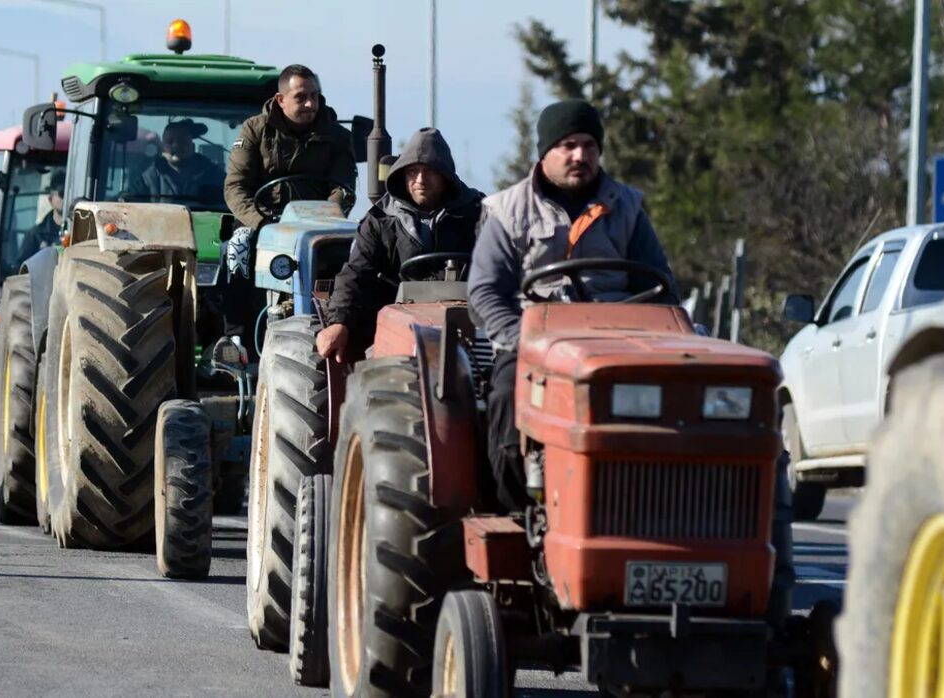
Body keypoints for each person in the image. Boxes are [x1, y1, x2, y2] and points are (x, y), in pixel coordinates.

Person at [468, 98, 679, 512]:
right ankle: (518, 512)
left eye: (589, 146)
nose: (580, 155)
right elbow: (485, 291)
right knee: (507, 396)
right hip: (535, 344)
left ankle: (655, 504)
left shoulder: (627, 207)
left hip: (617, 343)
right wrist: (522, 340)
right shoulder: (507, 210)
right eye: (568, 145)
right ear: (545, 152)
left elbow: (660, 287)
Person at [316, 127, 482, 362]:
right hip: (396, 328)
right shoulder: (381, 219)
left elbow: (504, 267)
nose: (420, 180)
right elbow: (356, 274)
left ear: (445, 175)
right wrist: (339, 321)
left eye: (430, 171)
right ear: (402, 175)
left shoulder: (478, 213)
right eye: (413, 172)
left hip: (470, 322)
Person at [221, 64, 358, 340]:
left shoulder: (338, 137)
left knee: (356, 257)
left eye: (314, 96)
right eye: (301, 97)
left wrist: (325, 218)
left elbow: (342, 189)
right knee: (238, 248)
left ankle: (338, 328)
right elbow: (235, 187)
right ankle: (236, 339)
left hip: (317, 224)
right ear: (281, 100)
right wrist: (262, 224)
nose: (310, 104)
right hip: (263, 220)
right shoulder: (255, 130)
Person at [132, 120, 225, 202]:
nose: (176, 146)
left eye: (182, 141)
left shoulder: (214, 175)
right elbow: (130, 203)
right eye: (170, 142)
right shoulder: (148, 178)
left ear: (192, 147)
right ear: (162, 148)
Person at [17, 174, 66, 266]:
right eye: (62, 193)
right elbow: (22, 268)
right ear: (51, 198)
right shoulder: (35, 235)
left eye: (69, 194)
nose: (67, 198)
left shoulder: (79, 232)